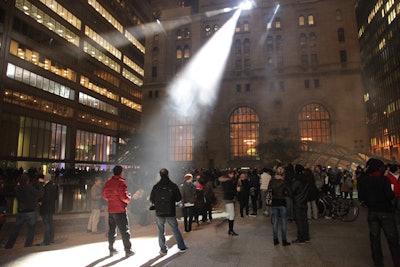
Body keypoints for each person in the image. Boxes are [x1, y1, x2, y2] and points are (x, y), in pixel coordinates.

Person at [358, 158, 400, 267]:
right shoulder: (384, 180)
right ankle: (397, 261)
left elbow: (361, 197)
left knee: (375, 239)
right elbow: (390, 196)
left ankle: (378, 262)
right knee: (392, 239)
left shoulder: (364, 180)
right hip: (386, 212)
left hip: (372, 212)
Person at [150, 168, 188, 255]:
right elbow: (179, 198)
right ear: (168, 174)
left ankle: (163, 250)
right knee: (175, 229)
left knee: (160, 231)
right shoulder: (173, 185)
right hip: (170, 211)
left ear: (160, 175)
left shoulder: (156, 186)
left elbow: (152, 199)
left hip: (159, 212)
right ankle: (181, 247)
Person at [102, 165, 134, 257]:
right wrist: (129, 198)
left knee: (112, 230)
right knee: (124, 231)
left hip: (111, 209)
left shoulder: (108, 182)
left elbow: (104, 195)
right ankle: (128, 250)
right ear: (121, 172)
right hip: (120, 209)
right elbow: (124, 197)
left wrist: (111, 199)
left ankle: (111, 249)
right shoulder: (121, 183)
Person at [5, 174, 42, 248]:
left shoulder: (17, 189)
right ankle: (27, 245)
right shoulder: (30, 188)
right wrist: (40, 184)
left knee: (16, 229)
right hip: (30, 210)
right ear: (27, 181)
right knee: (31, 229)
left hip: (21, 211)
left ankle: (9, 245)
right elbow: (39, 194)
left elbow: (11, 193)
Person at [269, 166, 291, 246]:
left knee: (275, 222)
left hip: (274, 202)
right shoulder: (284, 182)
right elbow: (289, 192)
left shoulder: (272, 181)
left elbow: (269, 190)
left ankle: (275, 240)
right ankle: (284, 240)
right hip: (282, 202)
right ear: (283, 173)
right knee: (284, 222)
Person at [291, 165, 310, 244]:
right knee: (305, 220)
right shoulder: (306, 180)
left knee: (299, 221)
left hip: (297, 202)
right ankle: (306, 236)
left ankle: (301, 237)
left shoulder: (297, 180)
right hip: (304, 202)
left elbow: (292, 191)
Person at [37, 174, 58, 246]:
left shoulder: (46, 187)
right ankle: (51, 239)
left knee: (46, 224)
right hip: (51, 207)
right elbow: (55, 197)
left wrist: (41, 201)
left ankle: (46, 240)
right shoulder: (54, 186)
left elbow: (45, 197)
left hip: (45, 207)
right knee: (51, 223)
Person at [218, 170, 239, 236]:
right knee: (232, 215)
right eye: (233, 174)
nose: (233, 176)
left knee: (230, 214)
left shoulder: (225, 181)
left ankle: (230, 230)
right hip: (229, 198)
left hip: (227, 198)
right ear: (229, 174)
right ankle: (231, 230)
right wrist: (236, 190)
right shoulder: (228, 181)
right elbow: (229, 190)